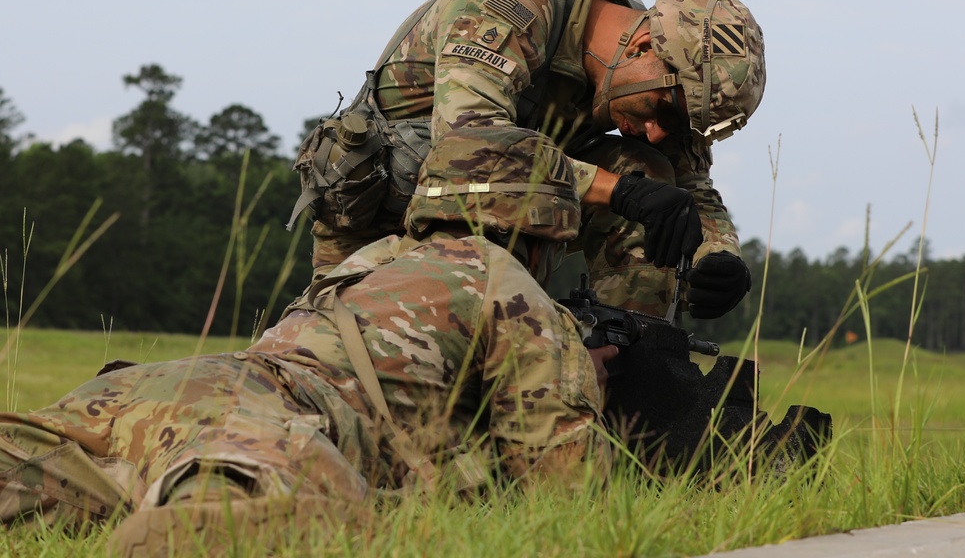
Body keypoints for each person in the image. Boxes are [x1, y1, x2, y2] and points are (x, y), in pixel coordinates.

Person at [0, 126, 615, 556]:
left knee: (34, 471)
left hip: (148, 387)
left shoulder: (374, 259)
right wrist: (588, 385)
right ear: (543, 231)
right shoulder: (504, 279)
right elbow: (564, 486)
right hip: (260, 415)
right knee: (222, 503)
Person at [291, 0, 766, 321]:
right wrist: (618, 191)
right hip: (391, 213)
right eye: (662, 110)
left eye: (678, 125)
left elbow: (692, 191)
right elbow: (469, 144)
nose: (658, 131)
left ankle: (629, 386)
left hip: (507, 225)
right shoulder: (506, 1)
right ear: (643, 47)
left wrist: (718, 256)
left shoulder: (671, 79)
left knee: (651, 180)